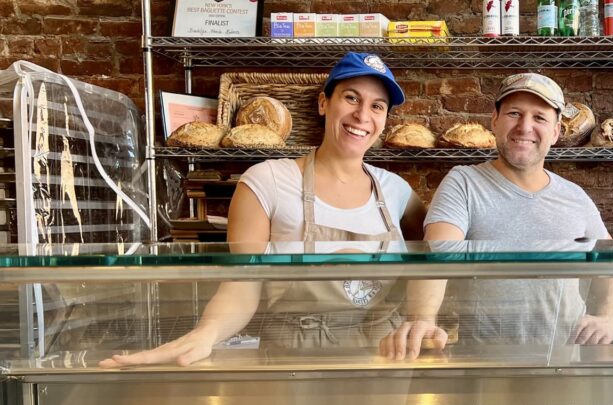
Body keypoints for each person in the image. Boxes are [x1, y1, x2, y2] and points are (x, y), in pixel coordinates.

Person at [100, 53, 426, 367]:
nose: (362, 115)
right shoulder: (267, 180)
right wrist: (207, 333)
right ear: (323, 103)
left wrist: (424, 320)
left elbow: (433, 265)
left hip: (383, 356)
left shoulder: (397, 192)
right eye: (351, 98)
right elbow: (243, 283)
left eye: (377, 106)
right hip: (294, 359)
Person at [378, 72, 613, 360]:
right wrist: (422, 319)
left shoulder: (574, 196)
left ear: (556, 131)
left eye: (539, 118)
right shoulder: (464, 183)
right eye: (514, 113)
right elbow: (436, 257)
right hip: (484, 360)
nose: (525, 127)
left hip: (563, 361)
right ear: (495, 120)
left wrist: (606, 317)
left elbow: (612, 260)